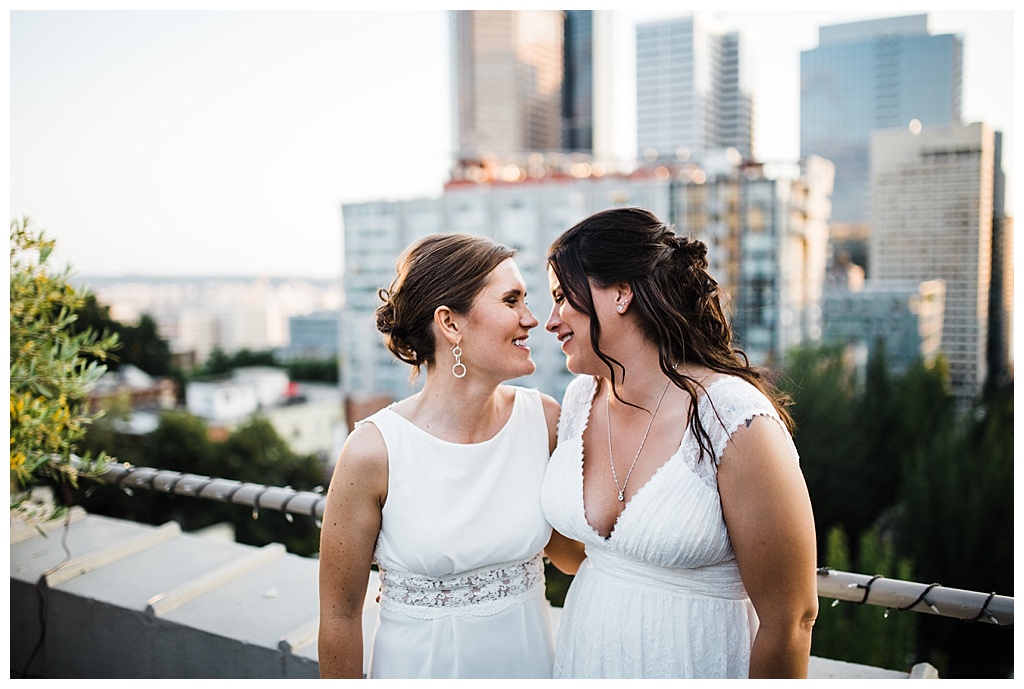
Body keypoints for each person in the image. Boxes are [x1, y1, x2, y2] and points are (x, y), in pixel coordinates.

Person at [540, 207, 818, 679]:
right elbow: (570, 556)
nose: (551, 320)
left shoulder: (732, 418)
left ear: (622, 294)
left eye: (564, 297)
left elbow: (792, 619)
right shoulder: (579, 399)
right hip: (585, 659)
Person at [317, 233, 578, 679]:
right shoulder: (374, 450)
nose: (531, 319)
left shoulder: (545, 420)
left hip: (529, 663)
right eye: (511, 301)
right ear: (450, 323)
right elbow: (339, 618)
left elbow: (571, 556)